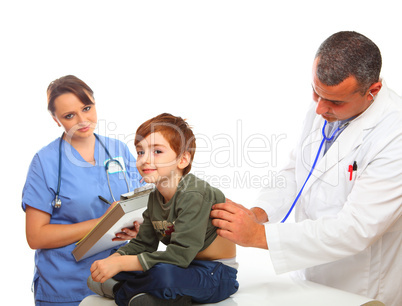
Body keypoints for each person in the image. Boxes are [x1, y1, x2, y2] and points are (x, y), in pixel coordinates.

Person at [210, 31, 402, 306]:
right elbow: (297, 173)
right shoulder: (324, 107)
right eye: (315, 92)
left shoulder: (395, 134)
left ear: (373, 91)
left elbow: (356, 229)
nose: (320, 108)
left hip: (361, 287)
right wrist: (258, 214)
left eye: (335, 101)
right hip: (307, 279)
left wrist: (258, 236)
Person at [88, 113, 239, 305]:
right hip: (183, 268)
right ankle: (147, 294)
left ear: (183, 160)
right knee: (116, 263)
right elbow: (143, 244)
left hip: (215, 273)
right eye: (140, 152)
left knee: (163, 275)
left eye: (157, 152)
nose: (144, 160)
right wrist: (115, 260)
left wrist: (120, 265)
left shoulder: (194, 194)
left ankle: (122, 291)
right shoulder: (154, 197)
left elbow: (179, 256)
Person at [22, 75, 143, 305]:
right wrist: (103, 222)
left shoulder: (118, 149)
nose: (82, 120)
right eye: (69, 115)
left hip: (119, 279)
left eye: (87, 108)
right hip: (64, 286)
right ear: (55, 119)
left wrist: (138, 228)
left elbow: (140, 205)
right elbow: (35, 236)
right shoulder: (44, 162)